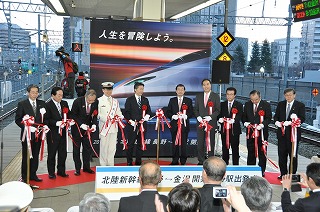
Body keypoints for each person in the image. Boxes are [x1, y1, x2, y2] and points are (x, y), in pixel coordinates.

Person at [15, 84, 46, 183]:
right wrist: (27, 127)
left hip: (38, 134)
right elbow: (18, 119)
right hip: (27, 135)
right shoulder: (22, 104)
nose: (35, 94)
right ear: (28, 93)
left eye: (36, 92)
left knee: (35, 155)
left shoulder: (42, 103)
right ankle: (24, 176)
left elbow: (45, 118)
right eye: (32, 92)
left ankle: (33, 174)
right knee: (26, 156)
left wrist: (44, 126)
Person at [274, 88, 305, 179]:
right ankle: (283, 173)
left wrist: (292, 123)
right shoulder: (281, 104)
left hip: (293, 135)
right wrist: (277, 122)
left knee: (293, 155)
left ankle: (292, 174)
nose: (288, 97)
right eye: (286, 95)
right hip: (282, 134)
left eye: (290, 95)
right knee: (282, 154)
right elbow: (276, 116)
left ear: (294, 95)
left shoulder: (300, 105)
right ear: (284, 96)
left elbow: (302, 118)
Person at [242, 90, 272, 176]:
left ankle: (261, 170)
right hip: (250, 132)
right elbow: (244, 116)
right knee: (251, 151)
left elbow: (269, 118)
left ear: (260, 97)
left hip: (262, 133)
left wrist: (262, 125)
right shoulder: (247, 104)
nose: (254, 101)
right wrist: (245, 122)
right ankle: (250, 169)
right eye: (252, 100)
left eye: (256, 99)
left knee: (262, 152)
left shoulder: (266, 105)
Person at [70, 89, 98, 176]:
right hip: (77, 129)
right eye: (89, 100)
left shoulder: (95, 102)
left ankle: (87, 167)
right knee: (76, 149)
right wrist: (81, 124)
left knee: (87, 149)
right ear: (86, 97)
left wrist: (94, 124)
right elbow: (73, 115)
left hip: (88, 130)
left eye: (93, 100)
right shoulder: (77, 101)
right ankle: (77, 169)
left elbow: (94, 115)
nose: (91, 102)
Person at [45, 87, 70, 179]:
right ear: (53, 95)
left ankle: (61, 171)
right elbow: (46, 120)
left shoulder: (64, 103)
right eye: (59, 95)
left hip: (63, 133)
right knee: (52, 154)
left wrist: (69, 121)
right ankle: (51, 172)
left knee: (63, 153)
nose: (61, 97)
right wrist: (56, 123)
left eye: (62, 95)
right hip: (53, 134)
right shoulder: (47, 105)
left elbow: (69, 114)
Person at [124, 82, 152, 166]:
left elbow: (149, 111)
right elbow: (126, 112)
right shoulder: (129, 99)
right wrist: (131, 121)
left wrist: (147, 116)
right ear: (135, 90)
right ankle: (129, 161)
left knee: (140, 143)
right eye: (140, 89)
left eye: (142, 89)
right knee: (130, 144)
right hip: (132, 125)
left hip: (142, 126)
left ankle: (138, 160)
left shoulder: (145, 99)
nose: (141, 91)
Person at [194, 79, 220, 165]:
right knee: (200, 143)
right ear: (202, 86)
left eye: (207, 84)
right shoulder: (198, 96)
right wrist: (198, 117)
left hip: (211, 124)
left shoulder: (215, 96)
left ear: (210, 85)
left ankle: (210, 161)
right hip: (200, 123)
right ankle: (201, 160)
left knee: (210, 143)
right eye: (204, 85)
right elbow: (195, 109)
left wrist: (210, 117)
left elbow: (218, 110)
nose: (206, 86)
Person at [166, 84, 193, 165]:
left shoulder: (188, 100)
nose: (180, 91)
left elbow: (191, 112)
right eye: (178, 89)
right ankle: (174, 160)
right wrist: (173, 116)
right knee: (175, 143)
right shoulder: (172, 100)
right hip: (174, 125)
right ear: (176, 91)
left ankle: (183, 161)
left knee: (184, 144)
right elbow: (168, 112)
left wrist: (186, 116)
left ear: (184, 91)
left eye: (182, 89)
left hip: (184, 125)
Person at [98, 82, 123, 166]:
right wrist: (106, 119)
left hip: (113, 128)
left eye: (110, 89)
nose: (108, 91)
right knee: (104, 147)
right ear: (103, 90)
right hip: (104, 128)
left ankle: (110, 164)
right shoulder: (99, 101)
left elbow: (119, 112)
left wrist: (120, 117)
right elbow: (97, 114)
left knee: (112, 147)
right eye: (106, 89)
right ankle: (103, 164)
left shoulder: (115, 101)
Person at [218, 87, 243, 165]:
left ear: (234, 95)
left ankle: (236, 165)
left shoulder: (239, 105)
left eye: (231, 94)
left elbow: (240, 115)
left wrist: (234, 120)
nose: (229, 96)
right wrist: (220, 119)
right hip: (224, 130)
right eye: (228, 94)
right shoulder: (222, 104)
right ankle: (225, 165)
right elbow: (219, 115)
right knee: (225, 148)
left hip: (234, 131)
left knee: (235, 148)